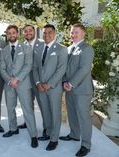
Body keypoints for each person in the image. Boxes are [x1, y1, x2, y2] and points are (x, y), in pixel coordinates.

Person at [0, 25, 38, 148]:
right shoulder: (4, 50)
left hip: (23, 83)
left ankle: (33, 135)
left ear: (17, 34)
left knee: (27, 109)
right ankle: (13, 128)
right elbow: (1, 67)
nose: (11, 35)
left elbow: (28, 65)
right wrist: (9, 80)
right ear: (7, 34)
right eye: (9, 33)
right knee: (10, 108)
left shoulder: (26, 48)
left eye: (13, 33)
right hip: (9, 84)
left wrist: (17, 78)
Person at [59, 23, 94, 157]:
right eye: (72, 32)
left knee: (83, 117)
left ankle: (86, 144)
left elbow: (84, 69)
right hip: (69, 88)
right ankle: (74, 135)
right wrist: (64, 82)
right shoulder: (68, 49)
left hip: (82, 90)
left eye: (76, 32)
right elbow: (64, 68)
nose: (73, 35)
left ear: (84, 33)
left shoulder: (87, 49)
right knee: (72, 113)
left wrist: (71, 83)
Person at [33, 24, 68, 151]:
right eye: (44, 33)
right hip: (41, 87)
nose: (47, 35)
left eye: (49, 32)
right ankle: (47, 133)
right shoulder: (39, 48)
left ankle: (54, 139)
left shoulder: (62, 49)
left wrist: (49, 84)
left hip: (54, 88)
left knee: (55, 113)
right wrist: (37, 83)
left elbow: (61, 69)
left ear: (55, 34)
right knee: (46, 112)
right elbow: (35, 68)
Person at [17, 25, 45, 135]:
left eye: (30, 30)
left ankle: (46, 128)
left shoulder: (42, 44)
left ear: (34, 32)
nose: (28, 33)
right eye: (25, 31)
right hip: (25, 81)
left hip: (39, 80)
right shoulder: (20, 46)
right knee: (27, 104)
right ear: (22, 33)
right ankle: (27, 122)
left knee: (43, 105)